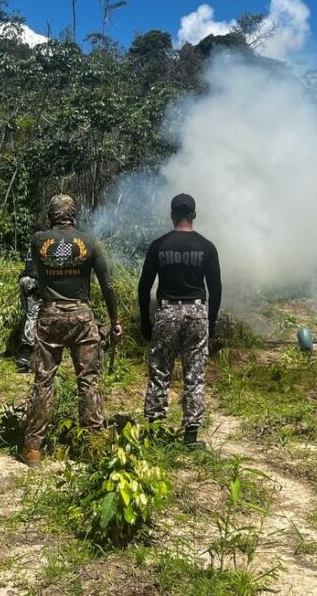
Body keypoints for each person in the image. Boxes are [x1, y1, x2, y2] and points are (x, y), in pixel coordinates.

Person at [20, 194, 122, 467]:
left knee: (44, 380)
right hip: (81, 317)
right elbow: (107, 286)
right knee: (88, 380)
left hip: (49, 314)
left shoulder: (38, 241)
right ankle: (95, 446)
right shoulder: (89, 242)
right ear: (74, 215)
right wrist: (114, 321)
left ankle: (32, 448)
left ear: (50, 216)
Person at [138, 193, 222, 451]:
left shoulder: (159, 246)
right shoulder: (207, 247)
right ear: (193, 215)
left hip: (167, 312)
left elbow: (144, 287)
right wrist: (212, 320)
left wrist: (144, 319)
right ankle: (191, 436)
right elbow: (216, 289)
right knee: (194, 375)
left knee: (160, 370)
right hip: (197, 313)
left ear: (172, 214)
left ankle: (154, 432)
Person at [16, 248, 40, 372]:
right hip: (33, 282)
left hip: (24, 279)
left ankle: (30, 351)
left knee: (29, 315)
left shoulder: (33, 245)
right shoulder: (46, 243)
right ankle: (25, 354)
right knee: (33, 316)